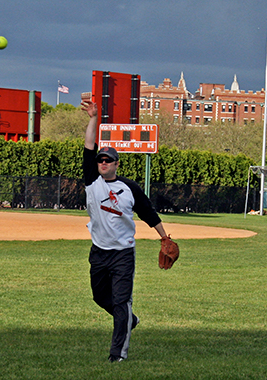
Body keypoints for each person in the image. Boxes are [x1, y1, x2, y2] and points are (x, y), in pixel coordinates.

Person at [81, 100, 168, 362]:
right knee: (99, 297)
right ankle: (130, 320)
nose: (103, 162)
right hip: (99, 251)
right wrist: (93, 118)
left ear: (117, 164)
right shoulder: (92, 182)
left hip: (122, 254)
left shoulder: (129, 188)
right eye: (101, 160)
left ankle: (117, 354)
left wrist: (165, 237)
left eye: (108, 160)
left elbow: (148, 212)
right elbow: (88, 146)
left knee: (121, 302)